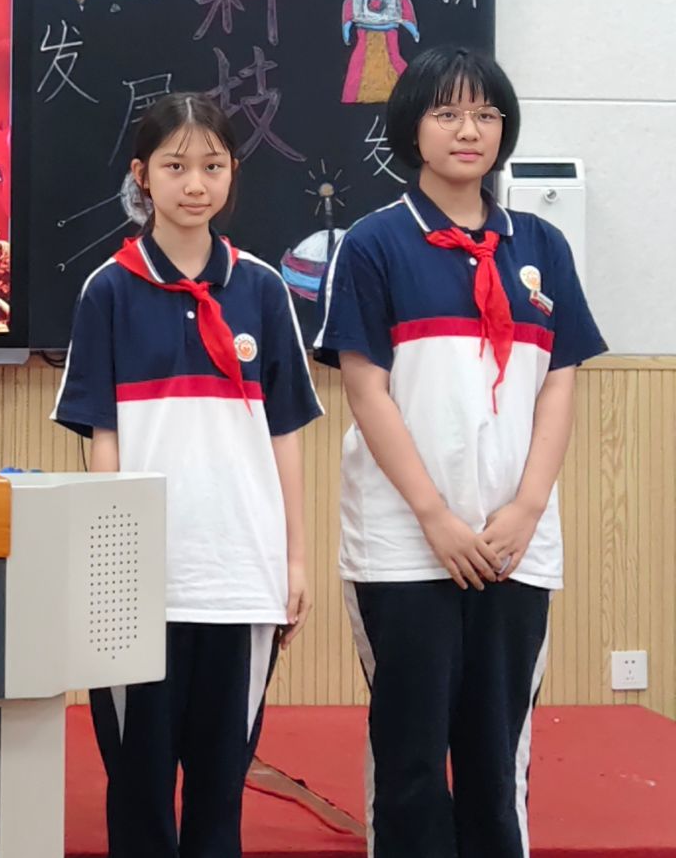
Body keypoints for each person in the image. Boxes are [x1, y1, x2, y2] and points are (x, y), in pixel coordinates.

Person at [315, 46, 604, 858]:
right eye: (447, 113)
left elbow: (558, 384)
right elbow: (367, 392)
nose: (468, 130)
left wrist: (526, 508)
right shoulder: (374, 244)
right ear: (413, 128)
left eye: (485, 114)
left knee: (495, 759)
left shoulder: (542, 245)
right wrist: (435, 517)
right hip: (405, 545)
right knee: (409, 759)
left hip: (516, 546)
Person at [53, 91, 320, 858]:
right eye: (175, 166)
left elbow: (284, 437)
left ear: (233, 171)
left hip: (241, 579)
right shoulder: (108, 289)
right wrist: (108, 567)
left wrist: (294, 559)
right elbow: (103, 441)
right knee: (139, 791)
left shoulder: (263, 290)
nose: (195, 184)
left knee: (219, 792)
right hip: (141, 587)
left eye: (212, 165)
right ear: (142, 176)